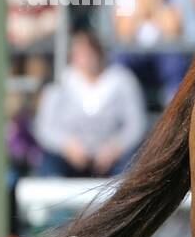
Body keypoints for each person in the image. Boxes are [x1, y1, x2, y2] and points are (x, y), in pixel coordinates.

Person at [33, 27, 147, 177]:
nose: (86, 57)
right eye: (80, 52)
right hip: (67, 158)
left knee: (132, 167)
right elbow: (45, 127)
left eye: (89, 51)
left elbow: (136, 124)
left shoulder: (122, 80)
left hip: (113, 158)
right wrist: (67, 145)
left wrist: (115, 147)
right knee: (49, 166)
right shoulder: (60, 83)